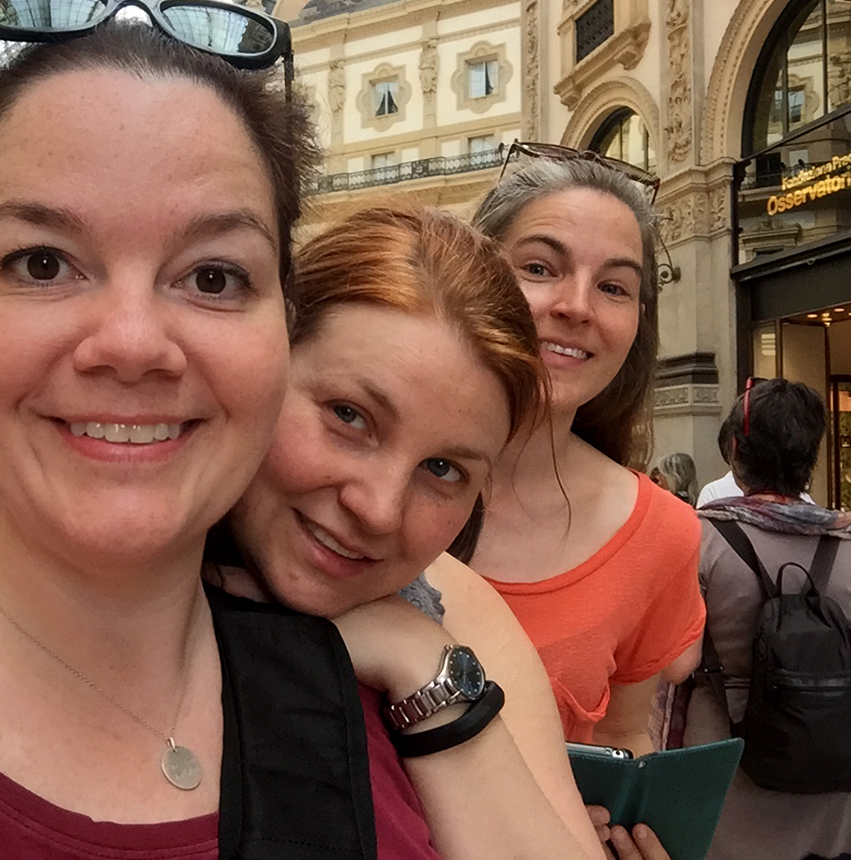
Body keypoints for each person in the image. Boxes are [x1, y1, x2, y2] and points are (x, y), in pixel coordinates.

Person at [0, 7, 495, 859]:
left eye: (213, 276)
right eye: (42, 262)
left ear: (285, 331)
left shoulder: (394, 700)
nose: (131, 344)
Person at [220, 205, 605, 859]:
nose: (379, 511)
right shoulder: (104, 580)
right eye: (349, 416)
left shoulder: (454, 608)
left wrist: (421, 662)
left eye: (442, 469)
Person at [468, 155, 704, 760]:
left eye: (613, 287)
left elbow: (623, 737)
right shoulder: (358, 475)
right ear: (469, 274)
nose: (577, 306)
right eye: (539, 268)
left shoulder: (659, 533)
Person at [687, 378, 851, 860]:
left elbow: (675, 663)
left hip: (727, 762)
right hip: (835, 763)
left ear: (734, 450)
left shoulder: (698, 539)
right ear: (811, 456)